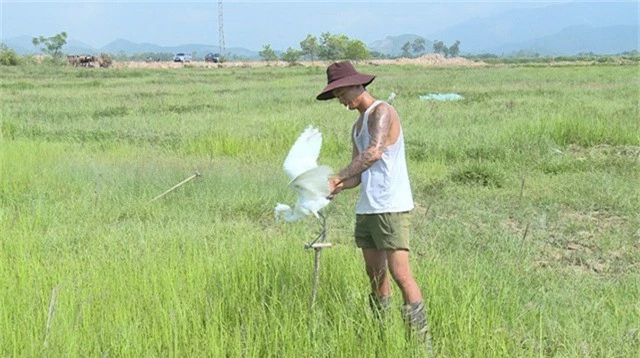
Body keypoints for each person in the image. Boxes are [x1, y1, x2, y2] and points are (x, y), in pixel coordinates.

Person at [317, 61, 431, 343]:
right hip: (367, 208)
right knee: (374, 274)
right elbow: (359, 174)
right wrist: (339, 186)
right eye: (336, 95)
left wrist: (336, 176)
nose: (341, 100)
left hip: (390, 206)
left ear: (358, 84)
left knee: (400, 273)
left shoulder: (382, 111)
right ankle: (382, 337)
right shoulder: (357, 127)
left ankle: (420, 343)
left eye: (342, 92)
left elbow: (374, 153)